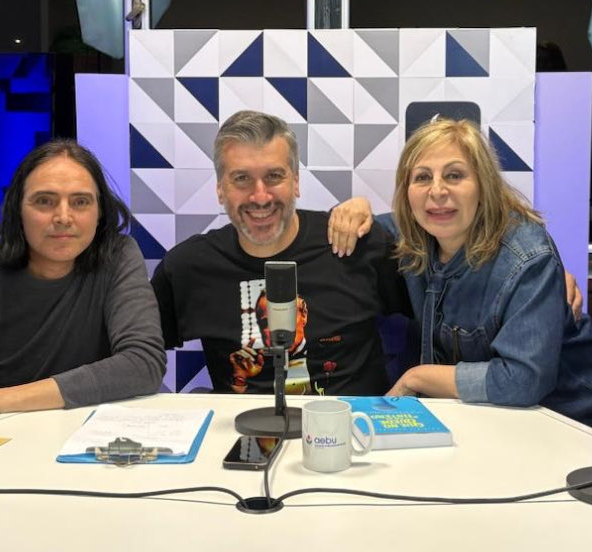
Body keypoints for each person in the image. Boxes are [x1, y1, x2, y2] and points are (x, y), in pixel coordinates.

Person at [329, 117, 592, 430]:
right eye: (422, 177)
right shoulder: (414, 234)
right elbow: (368, 226)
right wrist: (355, 208)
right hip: (489, 415)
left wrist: (417, 377)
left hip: (576, 415)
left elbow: (523, 380)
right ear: (407, 192)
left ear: (483, 185)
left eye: (454, 175)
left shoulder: (527, 257)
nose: (437, 190)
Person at [0, 140, 166, 439]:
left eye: (80, 202)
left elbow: (142, 364)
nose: (63, 217)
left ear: (100, 212)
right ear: (18, 210)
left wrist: (0, 401)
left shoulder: (117, 256)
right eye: (44, 201)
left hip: (73, 447)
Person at [150, 110, 410, 397]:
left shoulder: (358, 245)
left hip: (358, 430)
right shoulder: (188, 267)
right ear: (220, 189)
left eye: (274, 176)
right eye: (241, 179)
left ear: (295, 182)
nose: (260, 196)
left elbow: (432, 321)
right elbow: (136, 356)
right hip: (241, 433)